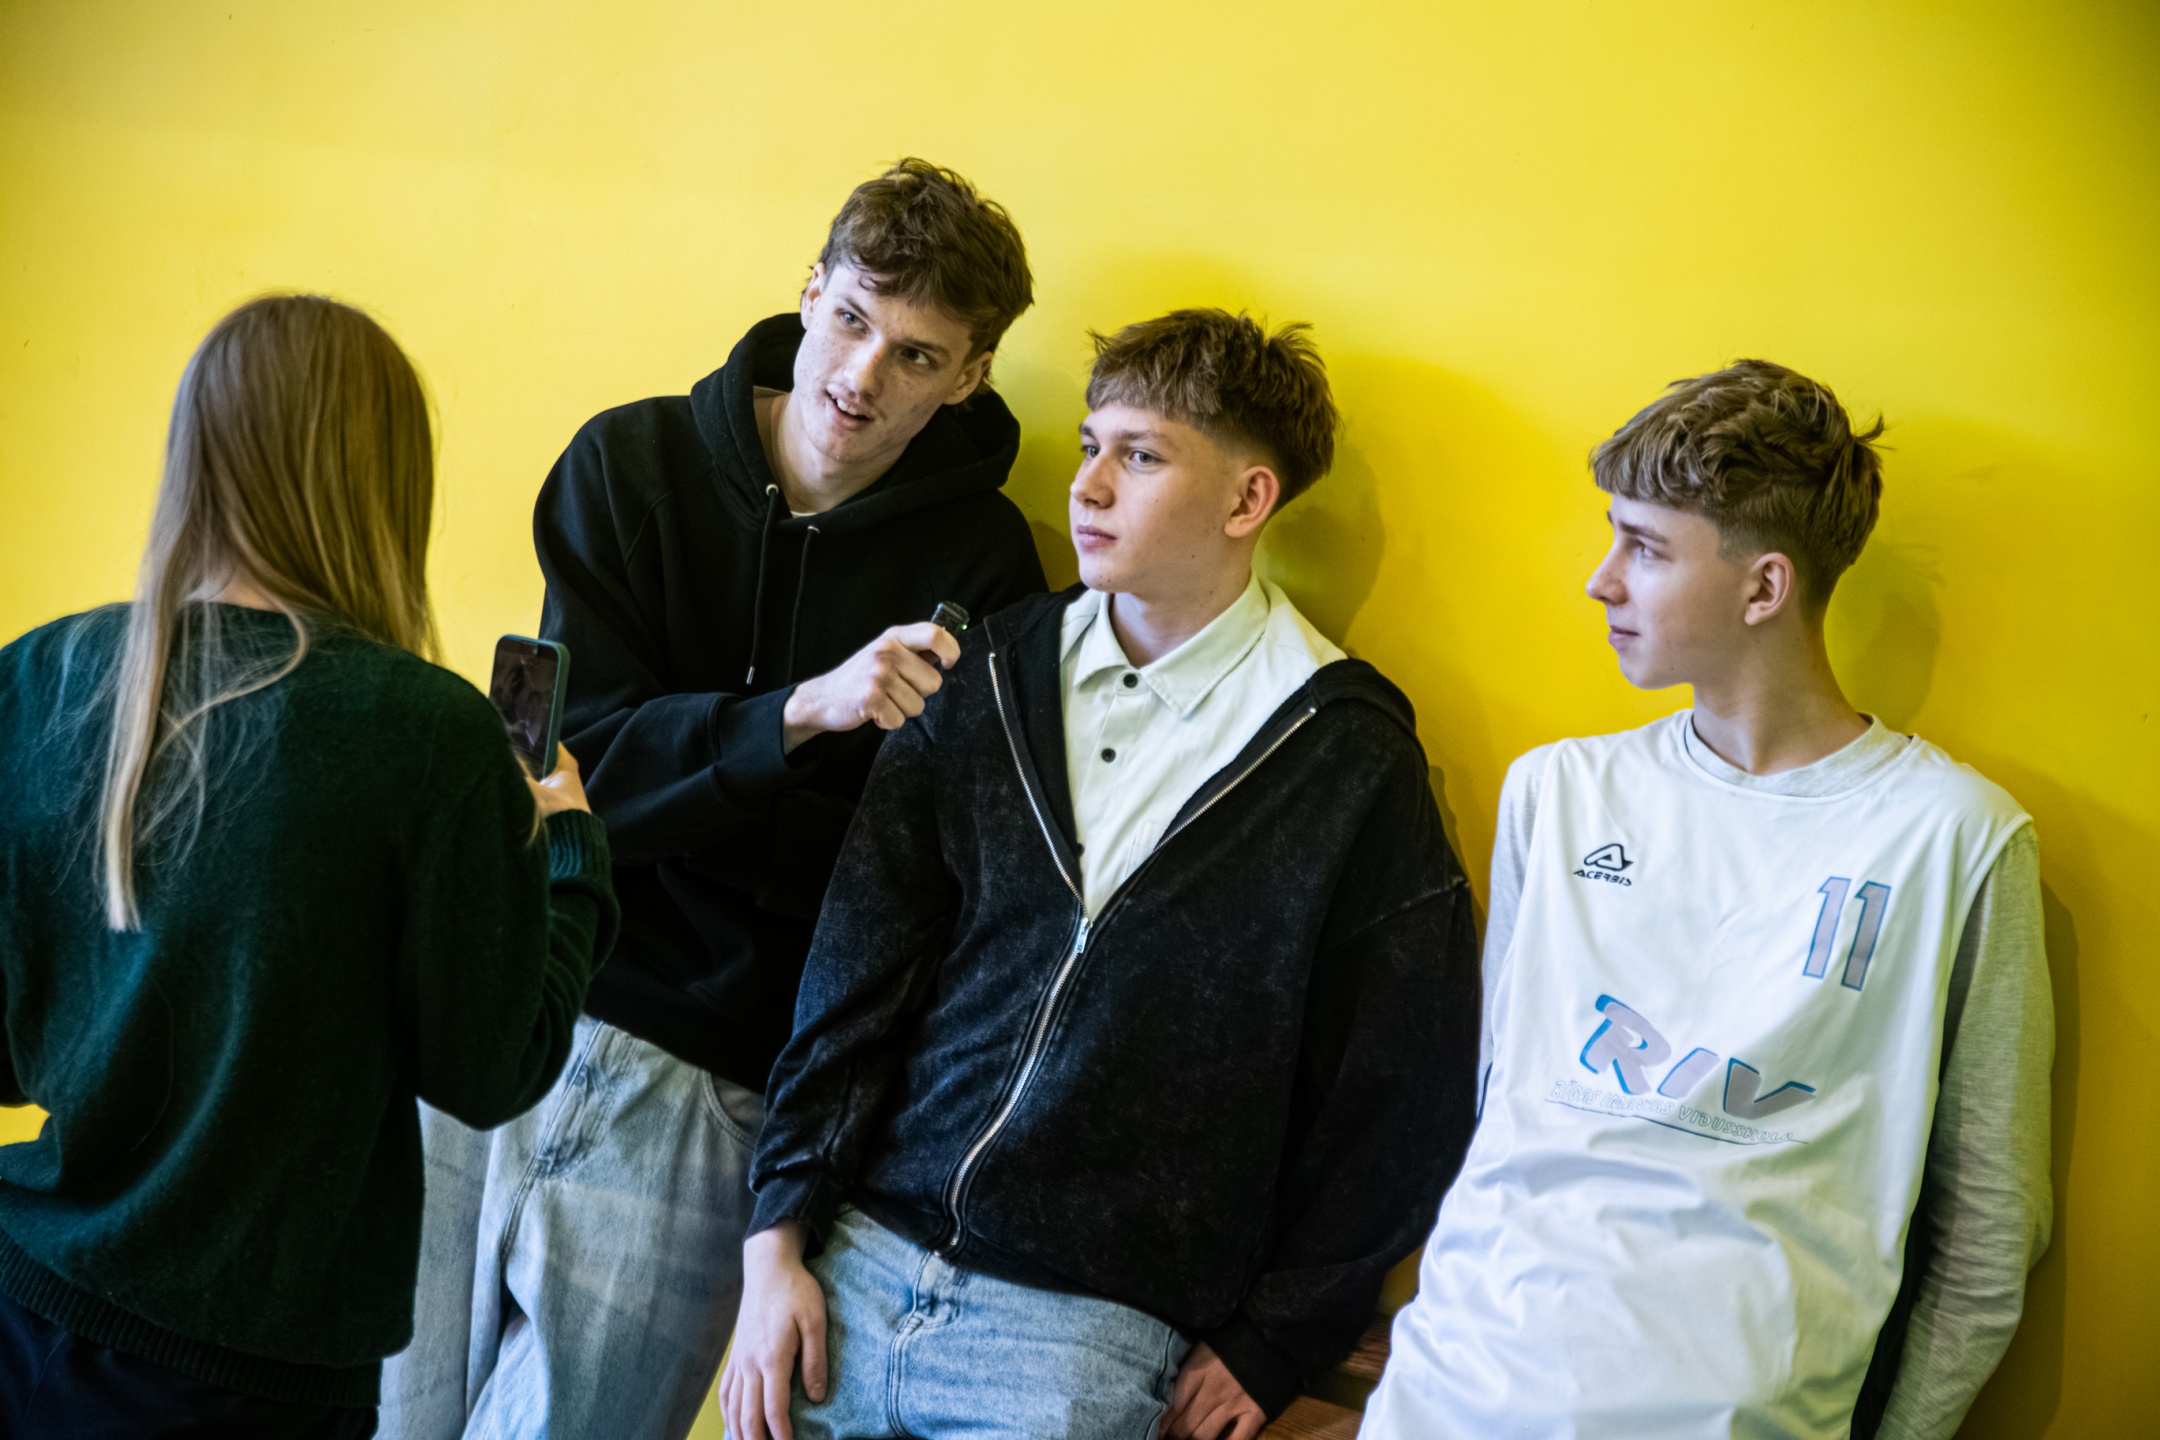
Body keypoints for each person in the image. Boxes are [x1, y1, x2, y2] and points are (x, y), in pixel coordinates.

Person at [722, 309, 1483, 1440]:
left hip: (1082, 1340)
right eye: (1090, 445)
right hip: (850, 1279)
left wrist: (1279, 1339)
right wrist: (776, 1239)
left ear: (1248, 500)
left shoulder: (1345, 757)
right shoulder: (982, 675)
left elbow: (1400, 1083)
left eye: (1141, 455)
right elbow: (855, 973)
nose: (1087, 485)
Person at [382, 160, 1047, 1440]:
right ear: (809, 291)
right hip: (509, 1005)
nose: (861, 376)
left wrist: (676, 774)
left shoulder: (989, 571)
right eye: (849, 319)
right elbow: (559, 774)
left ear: (969, 376)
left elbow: (903, 892)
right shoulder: (629, 463)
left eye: (916, 355)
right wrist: (800, 717)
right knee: (372, 1416)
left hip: (719, 1094)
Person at [1364, 360, 2052, 1439]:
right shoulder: (1558, 792)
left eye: (1644, 548)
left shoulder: (1953, 839)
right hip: (1447, 1397)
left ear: (1764, 588)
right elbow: (1504, 1109)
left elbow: (1988, 1236)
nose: (1600, 581)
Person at [0, 294, 618, 1437]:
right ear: (388, 481)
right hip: (248, 1384)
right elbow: (492, 1070)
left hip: (23, 1304)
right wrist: (570, 854)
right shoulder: (429, 738)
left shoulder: (38, 676)